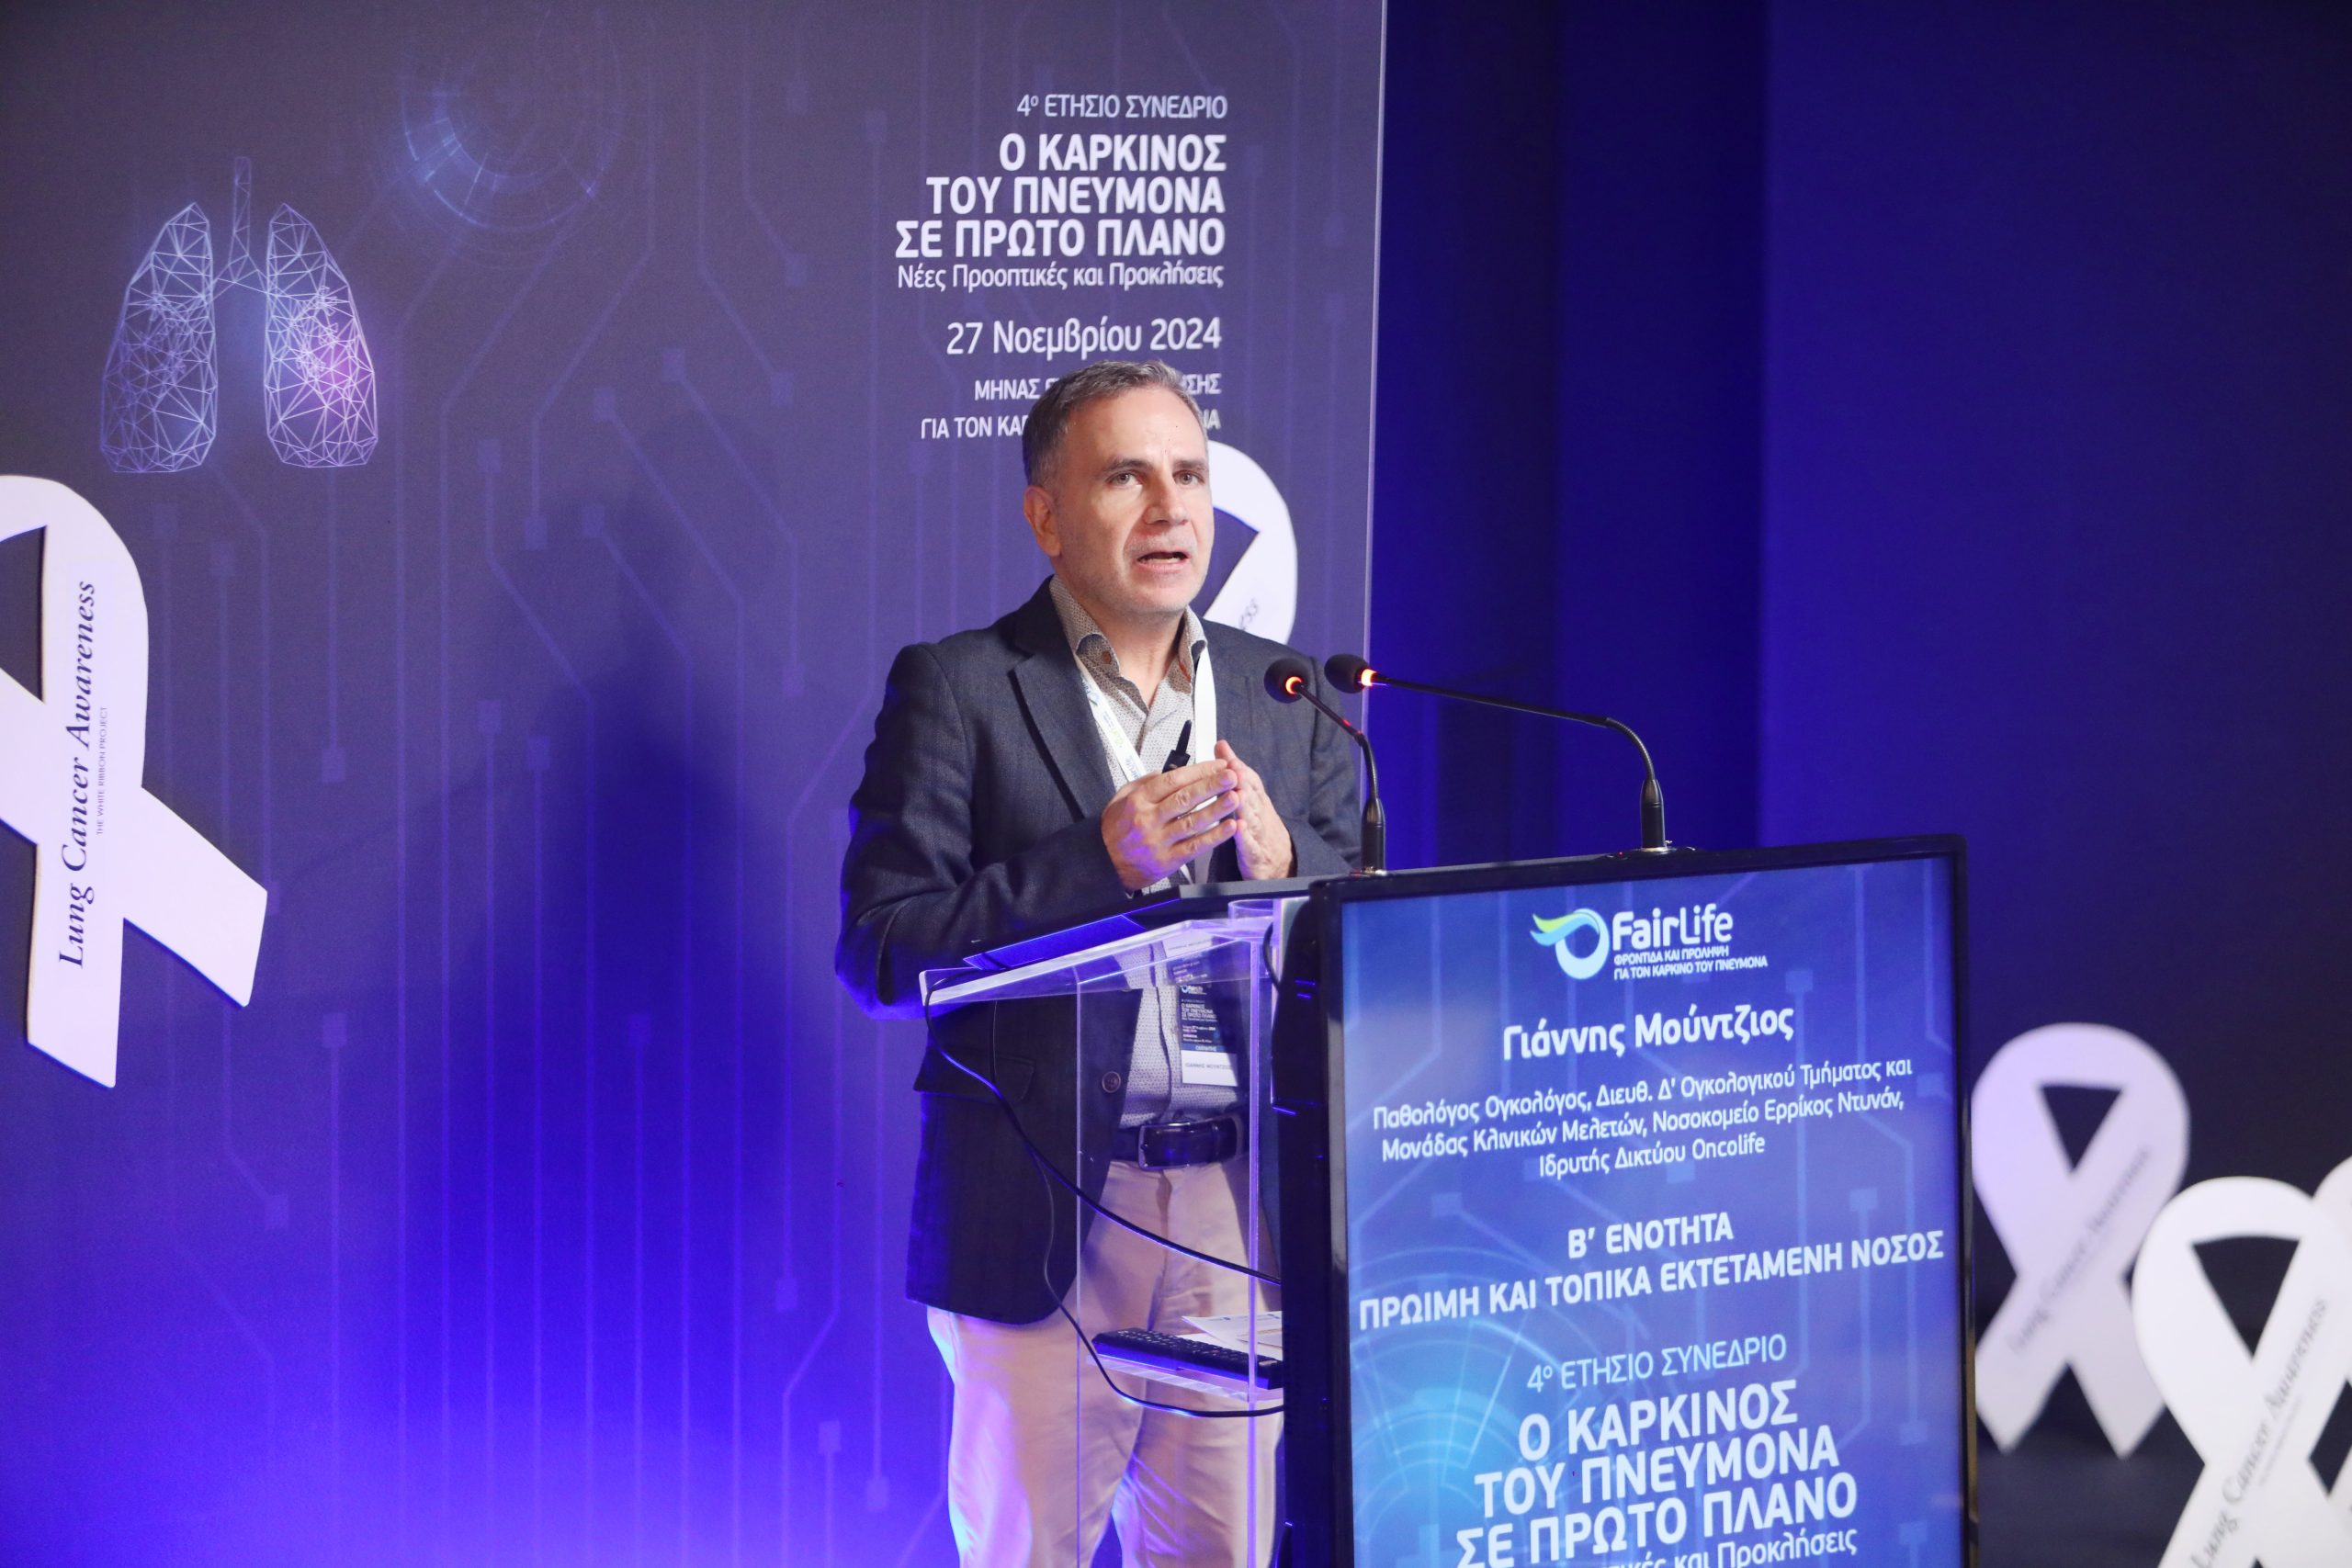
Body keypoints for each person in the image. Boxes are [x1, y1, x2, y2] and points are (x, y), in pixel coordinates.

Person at [835, 358, 1361, 1566]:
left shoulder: (1284, 694)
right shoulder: (961, 688)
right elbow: (883, 948)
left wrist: (1285, 865)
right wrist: (1096, 864)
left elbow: (1360, 949)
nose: (1172, 508)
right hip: (1047, 1210)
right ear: (1047, 515)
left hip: (1239, 1216)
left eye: (1190, 475)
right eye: (1127, 477)